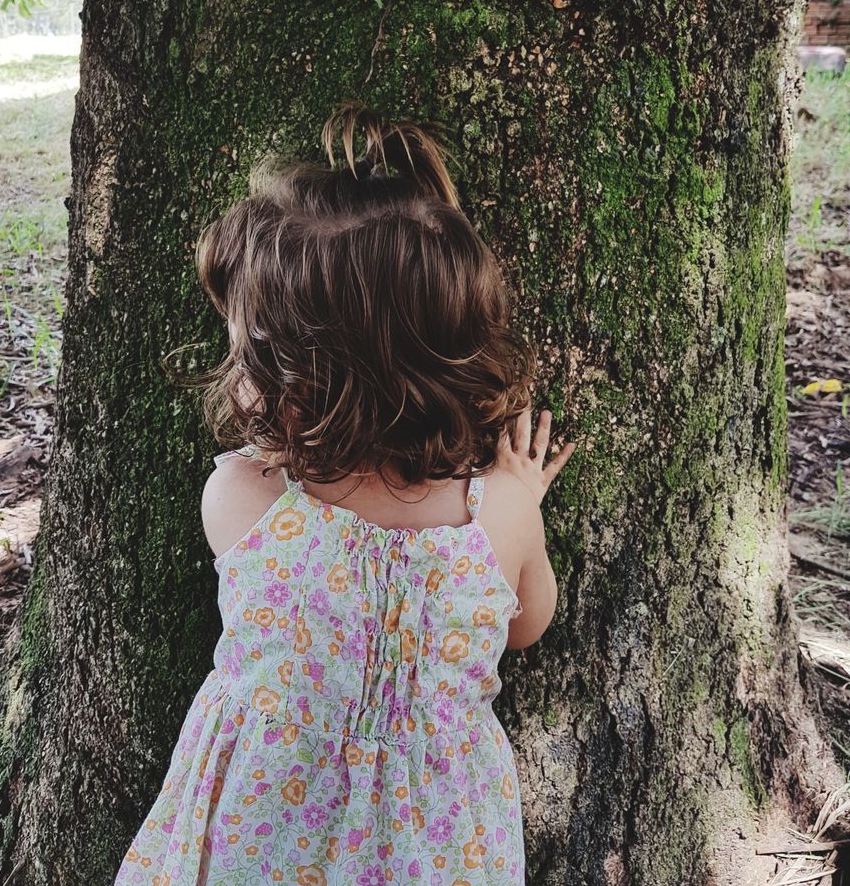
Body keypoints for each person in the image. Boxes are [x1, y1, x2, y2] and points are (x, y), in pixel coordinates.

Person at [114, 101, 577, 885]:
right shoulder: (500, 516)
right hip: (436, 844)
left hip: (266, 837)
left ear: (322, 387)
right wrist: (519, 488)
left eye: (254, 357)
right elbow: (528, 626)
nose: (234, 376)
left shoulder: (242, 502)